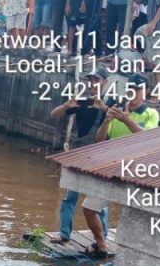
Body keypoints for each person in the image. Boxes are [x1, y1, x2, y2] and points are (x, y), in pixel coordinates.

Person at [80, 74, 159, 258]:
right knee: (88, 208)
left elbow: (147, 138)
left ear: (145, 91)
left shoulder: (151, 113)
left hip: (135, 170)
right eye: (131, 88)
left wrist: (126, 119)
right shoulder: (117, 110)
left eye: (138, 89)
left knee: (135, 214)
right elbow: (99, 140)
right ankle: (101, 242)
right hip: (111, 167)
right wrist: (107, 120)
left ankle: (135, 250)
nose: (134, 93)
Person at [46, 68, 109, 246]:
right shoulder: (82, 101)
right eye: (90, 80)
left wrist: (103, 107)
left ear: (104, 82)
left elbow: (117, 118)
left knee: (98, 198)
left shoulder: (112, 101)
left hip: (101, 155)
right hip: (79, 152)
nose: (92, 84)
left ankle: (102, 236)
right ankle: (64, 233)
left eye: (96, 80)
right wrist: (66, 105)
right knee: (69, 195)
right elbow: (54, 114)